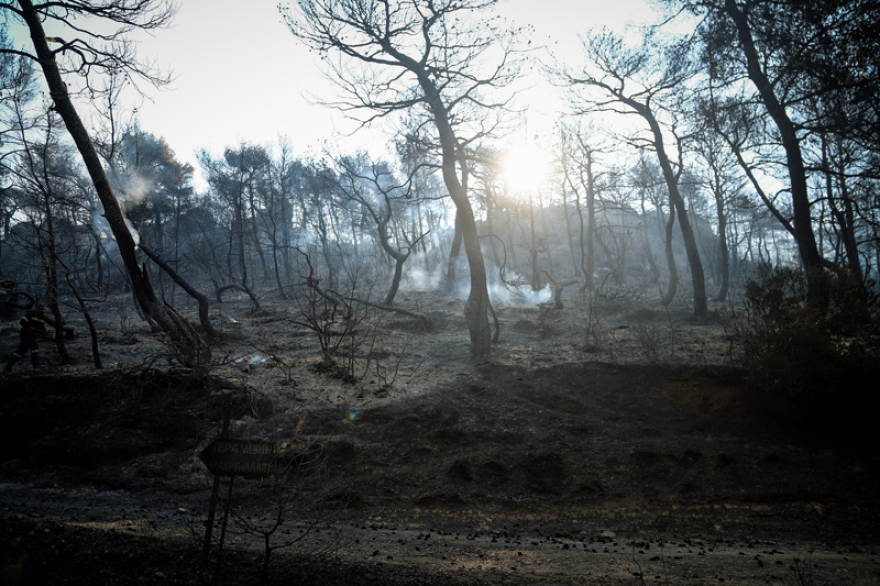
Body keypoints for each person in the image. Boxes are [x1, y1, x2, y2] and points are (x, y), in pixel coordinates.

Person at [4, 305, 49, 373]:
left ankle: (8, 367)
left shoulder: (42, 318)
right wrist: (30, 327)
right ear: (37, 309)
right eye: (41, 309)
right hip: (25, 335)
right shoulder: (31, 315)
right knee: (34, 347)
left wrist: (44, 330)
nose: (43, 310)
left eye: (44, 309)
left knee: (20, 352)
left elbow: (41, 327)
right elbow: (22, 322)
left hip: (32, 336)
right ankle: (35, 364)